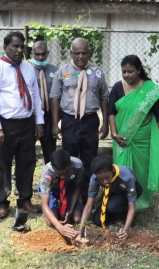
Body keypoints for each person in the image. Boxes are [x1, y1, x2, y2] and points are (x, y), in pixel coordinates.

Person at [0, 31, 44, 219]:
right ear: (5, 47)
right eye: (15, 46)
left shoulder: (29, 68)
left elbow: (35, 96)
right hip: (5, 125)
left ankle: (25, 199)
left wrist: (39, 121)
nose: (19, 50)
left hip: (26, 123)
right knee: (3, 164)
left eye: (22, 47)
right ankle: (1, 202)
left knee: (27, 163)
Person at [50, 37, 109, 204]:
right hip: (70, 121)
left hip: (90, 121)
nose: (81, 56)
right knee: (70, 159)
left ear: (89, 53)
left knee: (90, 159)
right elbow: (55, 97)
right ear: (71, 53)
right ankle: (69, 195)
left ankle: (87, 195)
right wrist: (55, 124)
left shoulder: (97, 72)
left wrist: (104, 123)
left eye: (84, 53)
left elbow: (104, 97)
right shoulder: (62, 72)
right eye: (77, 53)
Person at [108, 55, 159, 211]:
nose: (127, 75)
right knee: (120, 171)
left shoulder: (151, 91)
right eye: (124, 71)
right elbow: (111, 112)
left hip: (143, 139)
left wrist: (156, 138)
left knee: (141, 171)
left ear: (139, 70)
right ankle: (122, 202)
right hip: (121, 138)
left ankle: (141, 200)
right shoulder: (117, 87)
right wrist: (114, 133)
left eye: (130, 71)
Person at [77, 155, 142, 241]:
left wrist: (125, 230)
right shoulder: (94, 178)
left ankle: (124, 215)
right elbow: (89, 205)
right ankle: (114, 212)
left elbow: (132, 208)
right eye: (101, 179)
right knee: (97, 221)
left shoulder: (126, 176)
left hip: (126, 191)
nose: (105, 181)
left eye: (107, 177)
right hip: (112, 190)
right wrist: (80, 229)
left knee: (112, 206)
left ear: (113, 170)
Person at [37, 149, 83, 239]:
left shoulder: (78, 165)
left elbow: (77, 187)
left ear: (70, 164)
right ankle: (56, 207)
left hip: (68, 188)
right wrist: (59, 227)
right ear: (52, 167)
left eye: (65, 173)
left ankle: (66, 206)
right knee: (50, 222)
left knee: (77, 219)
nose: (62, 177)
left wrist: (71, 209)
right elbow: (44, 205)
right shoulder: (47, 172)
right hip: (51, 191)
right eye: (58, 174)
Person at [31, 41, 59, 164]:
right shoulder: (27, 70)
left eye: (43, 54)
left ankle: (52, 177)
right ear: (32, 54)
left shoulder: (56, 71)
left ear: (47, 53)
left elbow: (58, 96)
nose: (40, 57)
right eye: (37, 54)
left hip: (48, 116)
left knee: (50, 152)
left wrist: (56, 122)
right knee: (27, 152)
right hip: (31, 117)